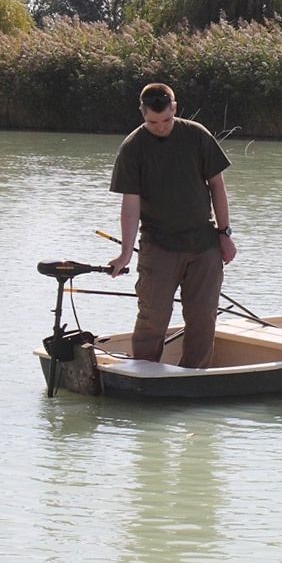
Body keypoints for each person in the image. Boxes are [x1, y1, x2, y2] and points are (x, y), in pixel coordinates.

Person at [106, 83, 236, 367]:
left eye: (165, 120)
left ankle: (195, 377)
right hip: (159, 245)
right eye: (153, 122)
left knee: (203, 318)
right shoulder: (132, 148)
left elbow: (217, 186)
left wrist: (224, 233)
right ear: (142, 113)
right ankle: (143, 373)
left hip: (203, 244)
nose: (160, 127)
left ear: (174, 109)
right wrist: (126, 253)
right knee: (153, 317)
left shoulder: (196, 134)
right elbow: (131, 203)